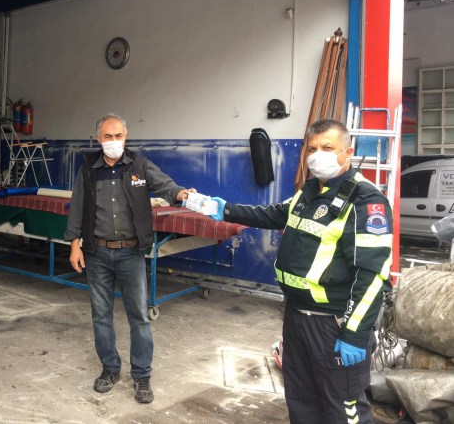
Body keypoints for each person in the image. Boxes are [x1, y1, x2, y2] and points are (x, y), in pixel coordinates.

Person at [210, 119, 393, 424]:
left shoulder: (365, 200)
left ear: (348, 152)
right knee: (301, 400)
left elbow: (373, 274)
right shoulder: (308, 192)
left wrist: (354, 333)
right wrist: (226, 209)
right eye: (312, 148)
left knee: (342, 410)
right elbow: (273, 214)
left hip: (333, 324)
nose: (317, 155)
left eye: (327, 147)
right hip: (297, 317)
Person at [65, 113, 195, 404]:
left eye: (118, 136)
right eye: (107, 136)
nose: (113, 141)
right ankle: (110, 369)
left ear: (126, 137)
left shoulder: (139, 165)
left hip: (131, 254)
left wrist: (182, 194)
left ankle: (141, 375)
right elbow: (78, 207)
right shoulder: (88, 168)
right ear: (98, 139)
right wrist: (75, 245)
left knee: (138, 316)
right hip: (96, 253)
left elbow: (167, 186)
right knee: (101, 315)